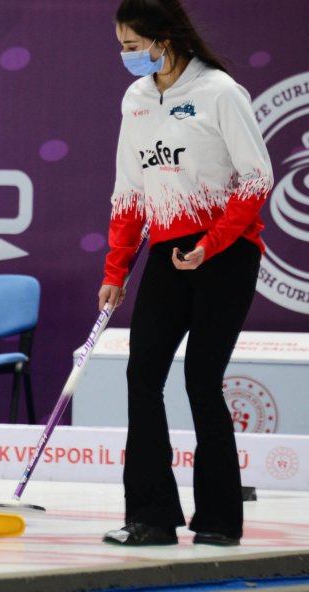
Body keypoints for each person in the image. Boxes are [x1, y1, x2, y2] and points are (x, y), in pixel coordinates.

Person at [99, 0, 272, 547]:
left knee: (202, 379)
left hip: (226, 254)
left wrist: (212, 243)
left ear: (164, 39)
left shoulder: (220, 92)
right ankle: (152, 516)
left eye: (132, 46)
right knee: (142, 374)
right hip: (168, 254)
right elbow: (129, 192)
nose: (126, 57)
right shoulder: (136, 99)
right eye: (122, 47)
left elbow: (256, 178)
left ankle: (220, 519)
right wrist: (116, 268)